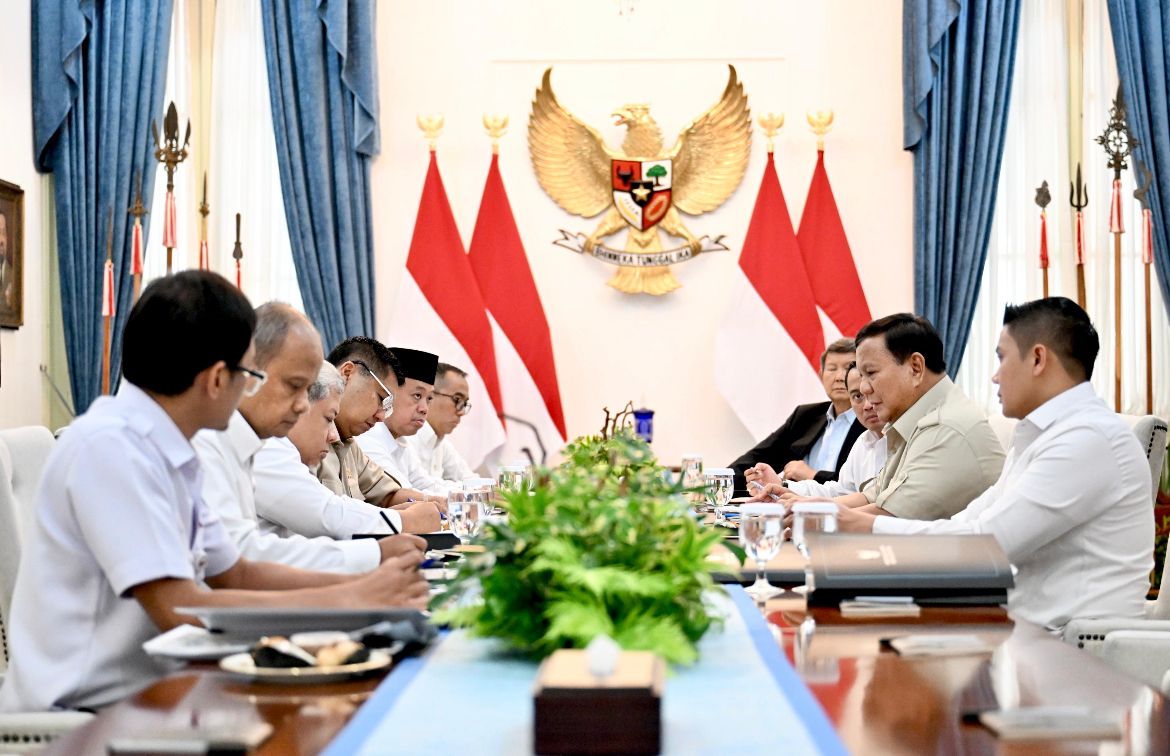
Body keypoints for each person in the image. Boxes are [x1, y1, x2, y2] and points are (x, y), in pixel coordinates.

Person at [0, 272, 427, 713]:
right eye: (250, 374)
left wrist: (366, 583)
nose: (252, 388)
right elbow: (181, 608)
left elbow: (236, 573)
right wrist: (349, 599)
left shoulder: (169, 448)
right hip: (86, 715)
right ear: (217, 379)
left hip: (162, 689)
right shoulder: (112, 448)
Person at [834, 298, 1153, 631]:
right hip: (1019, 632)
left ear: (1038, 359)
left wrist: (864, 527)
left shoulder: (1088, 439)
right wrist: (861, 528)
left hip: (1067, 654)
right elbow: (969, 523)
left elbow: (988, 544)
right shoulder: (1040, 436)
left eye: (1002, 358)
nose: (995, 376)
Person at [193, 303, 425, 572]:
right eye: (295, 386)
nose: (303, 405)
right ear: (245, 371)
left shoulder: (253, 439)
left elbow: (264, 550)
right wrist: (379, 550)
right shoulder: (244, 442)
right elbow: (238, 566)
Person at [831, 314, 1003, 520]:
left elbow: (888, 519)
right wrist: (804, 506)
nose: (864, 388)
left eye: (871, 373)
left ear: (916, 367)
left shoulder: (946, 427)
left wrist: (804, 517)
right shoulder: (915, 420)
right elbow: (875, 496)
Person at [252, 361, 442, 539]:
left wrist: (397, 515)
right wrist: (403, 521)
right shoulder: (266, 447)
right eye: (328, 418)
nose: (382, 416)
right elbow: (326, 515)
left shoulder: (346, 443)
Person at [317, 337, 440, 516]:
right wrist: (398, 520)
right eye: (382, 399)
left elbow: (388, 495)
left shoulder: (350, 444)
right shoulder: (302, 434)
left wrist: (438, 504)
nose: (381, 416)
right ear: (347, 374)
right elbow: (327, 515)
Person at [733, 339, 865, 494]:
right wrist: (715, 483)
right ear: (821, 375)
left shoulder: (871, 420)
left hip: (844, 509)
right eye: (832, 368)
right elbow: (757, 457)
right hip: (791, 506)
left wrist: (813, 475)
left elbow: (859, 485)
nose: (839, 377)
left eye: (848, 368)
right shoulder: (806, 415)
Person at [753, 363, 887, 500]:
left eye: (873, 392)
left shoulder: (905, 438)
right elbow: (839, 491)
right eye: (858, 396)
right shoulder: (864, 441)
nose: (867, 405)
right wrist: (781, 485)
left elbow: (879, 505)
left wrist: (807, 504)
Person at [357, 348, 456, 495]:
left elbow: (427, 485)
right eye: (417, 395)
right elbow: (402, 494)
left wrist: (480, 493)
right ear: (388, 394)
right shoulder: (369, 435)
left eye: (429, 399)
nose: (424, 409)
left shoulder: (401, 440)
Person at [407, 362, 476, 485]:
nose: (461, 412)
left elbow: (470, 479)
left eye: (464, 404)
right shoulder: (407, 437)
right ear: (430, 396)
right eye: (457, 400)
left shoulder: (440, 442)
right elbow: (420, 488)